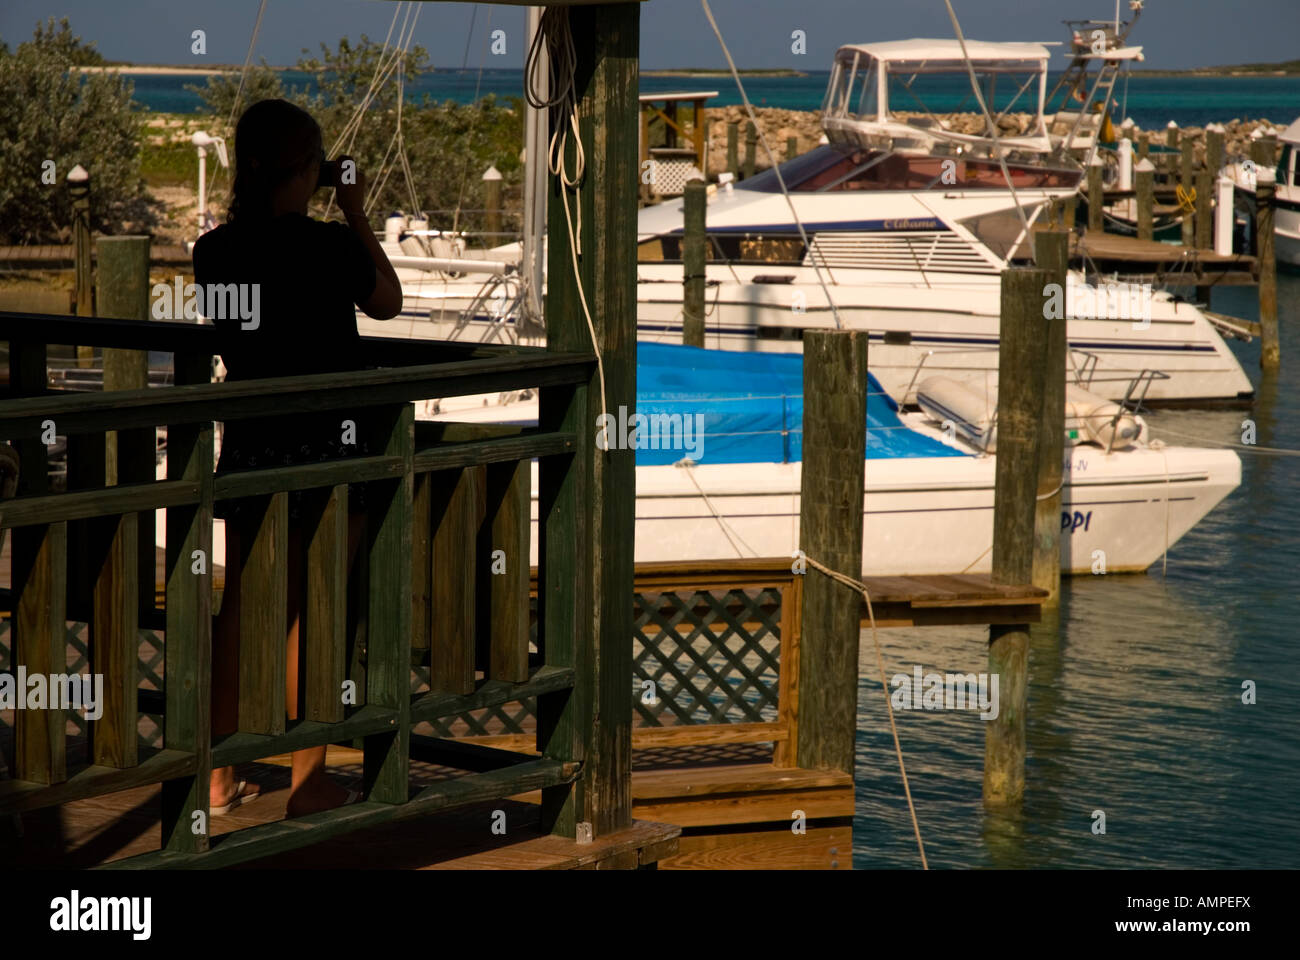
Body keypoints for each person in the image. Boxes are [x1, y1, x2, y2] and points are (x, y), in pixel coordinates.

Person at [193, 98, 402, 817]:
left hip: (252, 441)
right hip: (326, 446)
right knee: (316, 611)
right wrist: (353, 208)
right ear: (307, 169)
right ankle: (307, 781)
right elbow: (388, 302)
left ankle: (215, 777)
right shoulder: (328, 247)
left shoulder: (214, 250)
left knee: (241, 612)